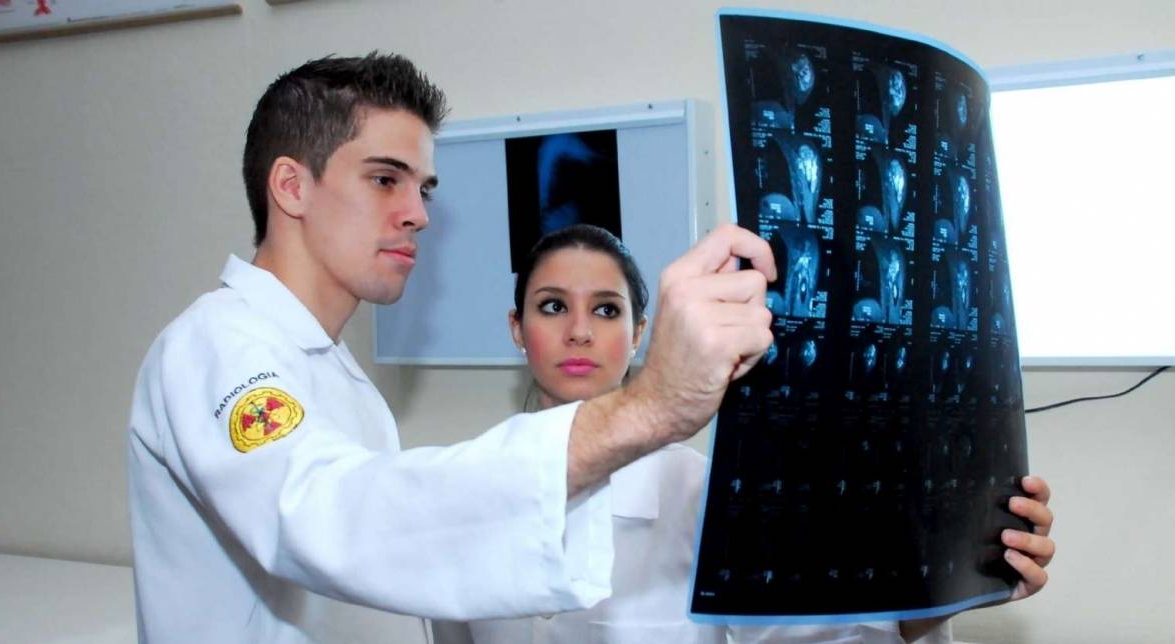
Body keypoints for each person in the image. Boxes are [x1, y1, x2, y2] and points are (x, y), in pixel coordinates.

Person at [126, 54, 776, 643]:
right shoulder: (216, 345)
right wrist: (654, 405)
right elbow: (332, 518)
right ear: (292, 187)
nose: (419, 214)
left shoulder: (333, 374)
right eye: (386, 179)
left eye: (424, 188)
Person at [433, 225, 1055, 644]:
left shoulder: (700, 491)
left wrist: (959, 580)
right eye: (551, 306)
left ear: (642, 331)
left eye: (606, 309)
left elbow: (815, 636)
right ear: (516, 328)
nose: (578, 331)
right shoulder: (461, 486)